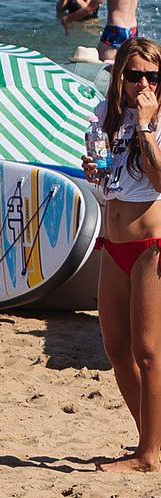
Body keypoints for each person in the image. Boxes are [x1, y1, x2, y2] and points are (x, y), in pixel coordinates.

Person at [84, 39, 161, 472]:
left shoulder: (158, 118)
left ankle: (148, 455)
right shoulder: (105, 116)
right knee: (116, 350)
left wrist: (147, 126)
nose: (143, 84)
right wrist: (94, 170)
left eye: (152, 76)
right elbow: (110, 177)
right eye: (134, 76)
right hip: (113, 242)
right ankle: (150, 439)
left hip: (151, 245)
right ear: (120, 77)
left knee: (148, 351)